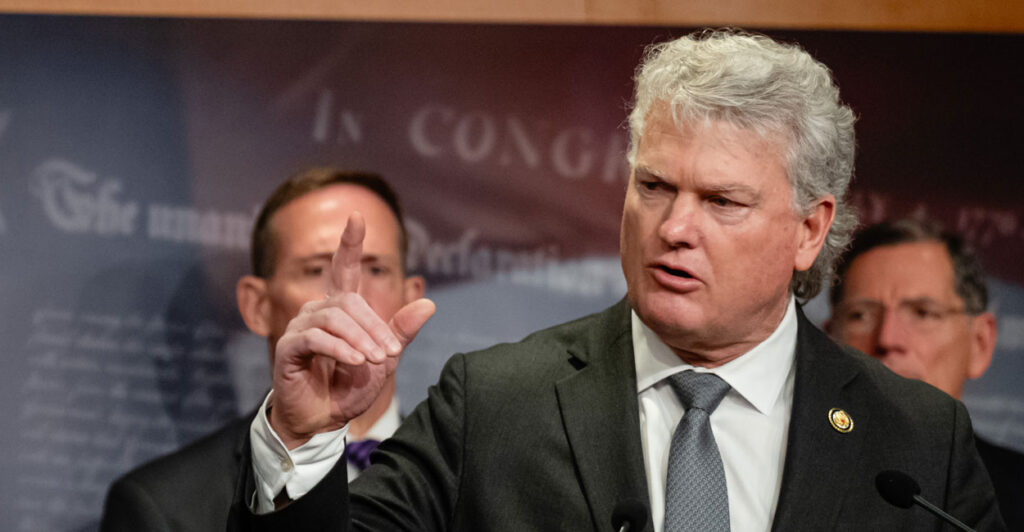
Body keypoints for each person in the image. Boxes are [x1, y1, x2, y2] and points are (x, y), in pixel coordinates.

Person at [235, 30, 1005, 531]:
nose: (674, 227)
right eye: (655, 187)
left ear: (809, 229)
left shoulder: (917, 441)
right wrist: (303, 438)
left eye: (722, 202)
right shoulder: (493, 405)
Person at [99, 168, 426, 531]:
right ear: (258, 306)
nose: (352, 297)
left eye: (376, 270)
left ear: (409, 298)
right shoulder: (160, 508)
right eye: (317, 270)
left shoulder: (460, 477)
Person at [828, 218, 1023, 530]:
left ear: (979, 343)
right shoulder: (786, 471)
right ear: (826, 342)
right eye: (860, 315)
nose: (887, 339)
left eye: (922, 313)